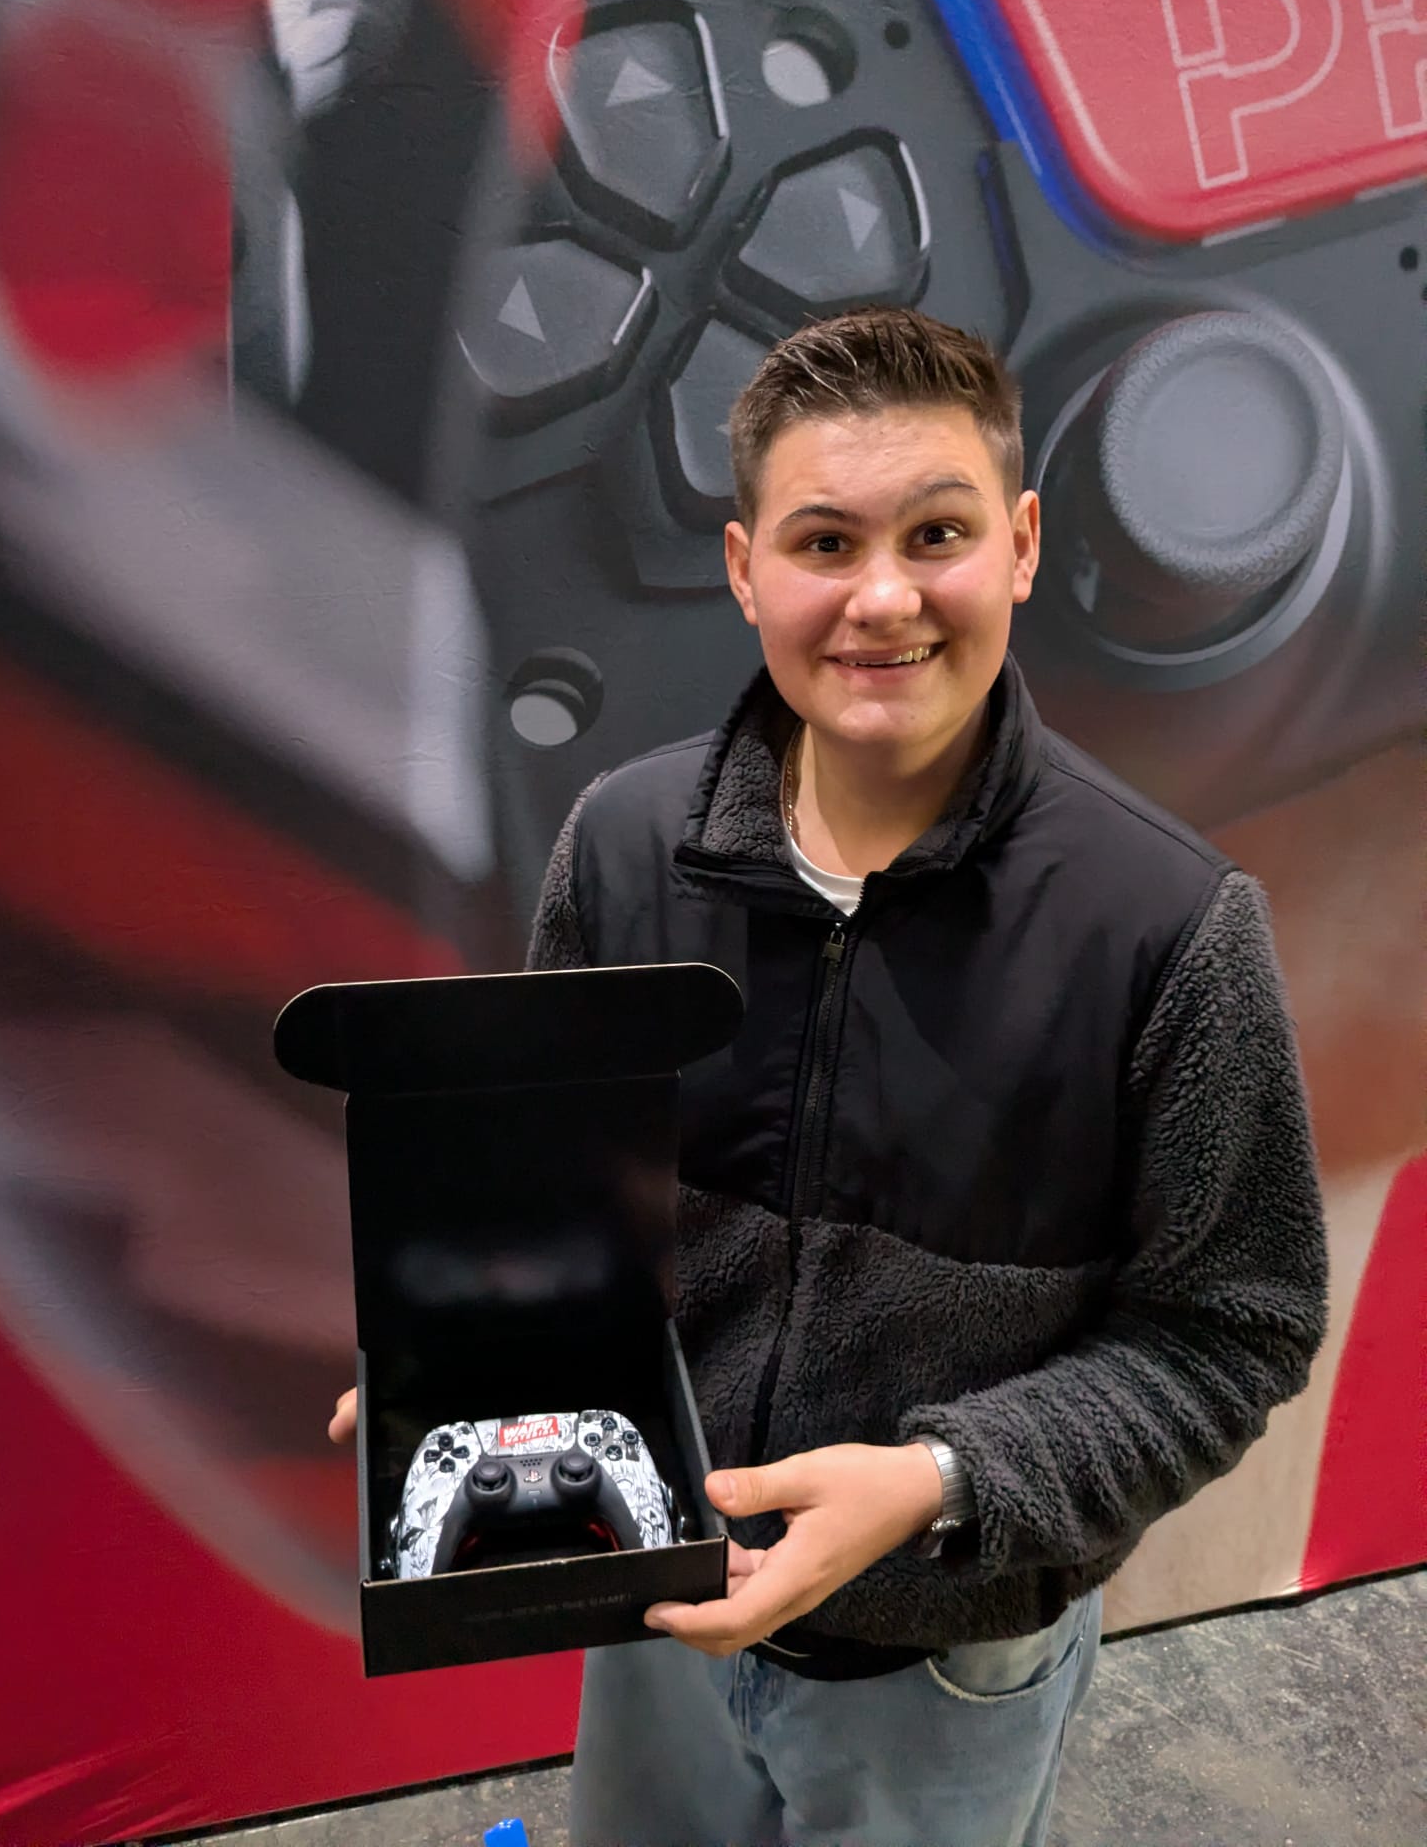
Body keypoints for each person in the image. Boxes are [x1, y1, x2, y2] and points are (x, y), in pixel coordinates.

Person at [331, 307, 1329, 1847]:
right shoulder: (623, 848)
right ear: (745, 570)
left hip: (944, 1664)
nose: (881, 596)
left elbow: (1232, 1330)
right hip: (661, 1599)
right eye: (822, 542)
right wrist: (469, 1356)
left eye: (936, 533)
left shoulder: (1169, 929)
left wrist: (939, 1481)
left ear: (1021, 543)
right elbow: (562, 1212)